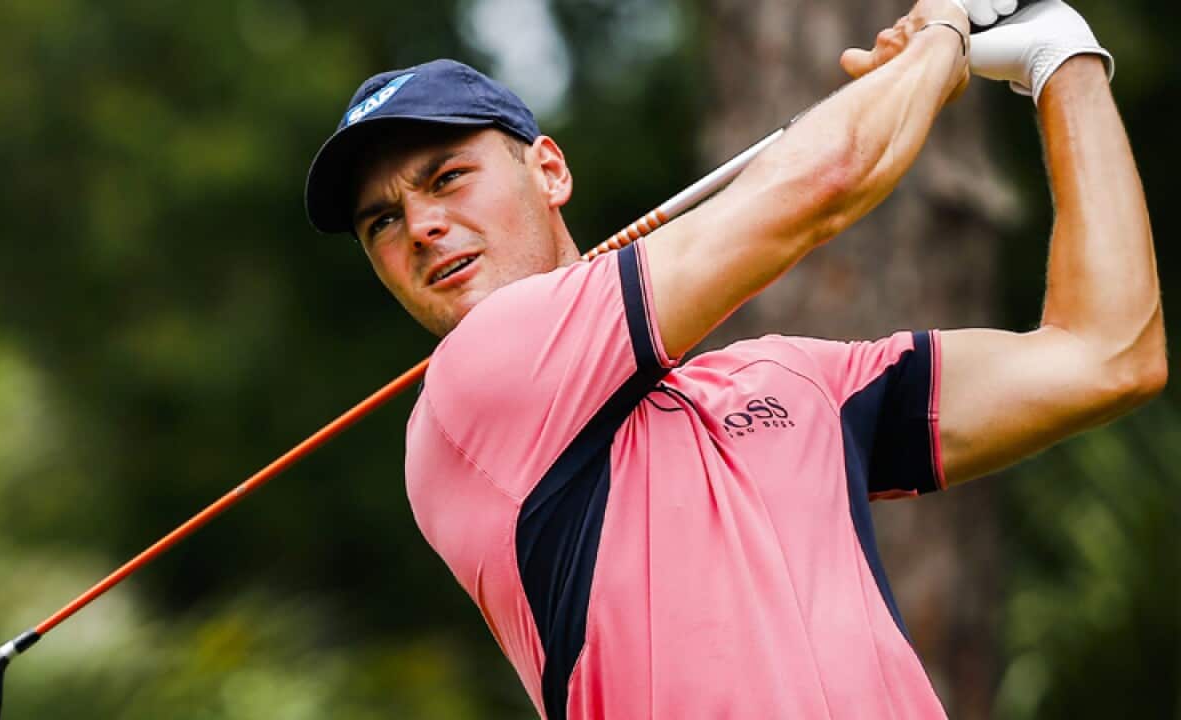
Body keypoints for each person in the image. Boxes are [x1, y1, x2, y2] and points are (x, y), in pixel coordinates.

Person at [303, 0, 1165, 716]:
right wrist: (944, 32)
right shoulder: (477, 380)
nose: (420, 227)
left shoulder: (791, 383)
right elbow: (824, 180)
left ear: (550, 171)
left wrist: (1062, 58)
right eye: (382, 220)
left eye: (446, 176)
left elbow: (1107, 356)